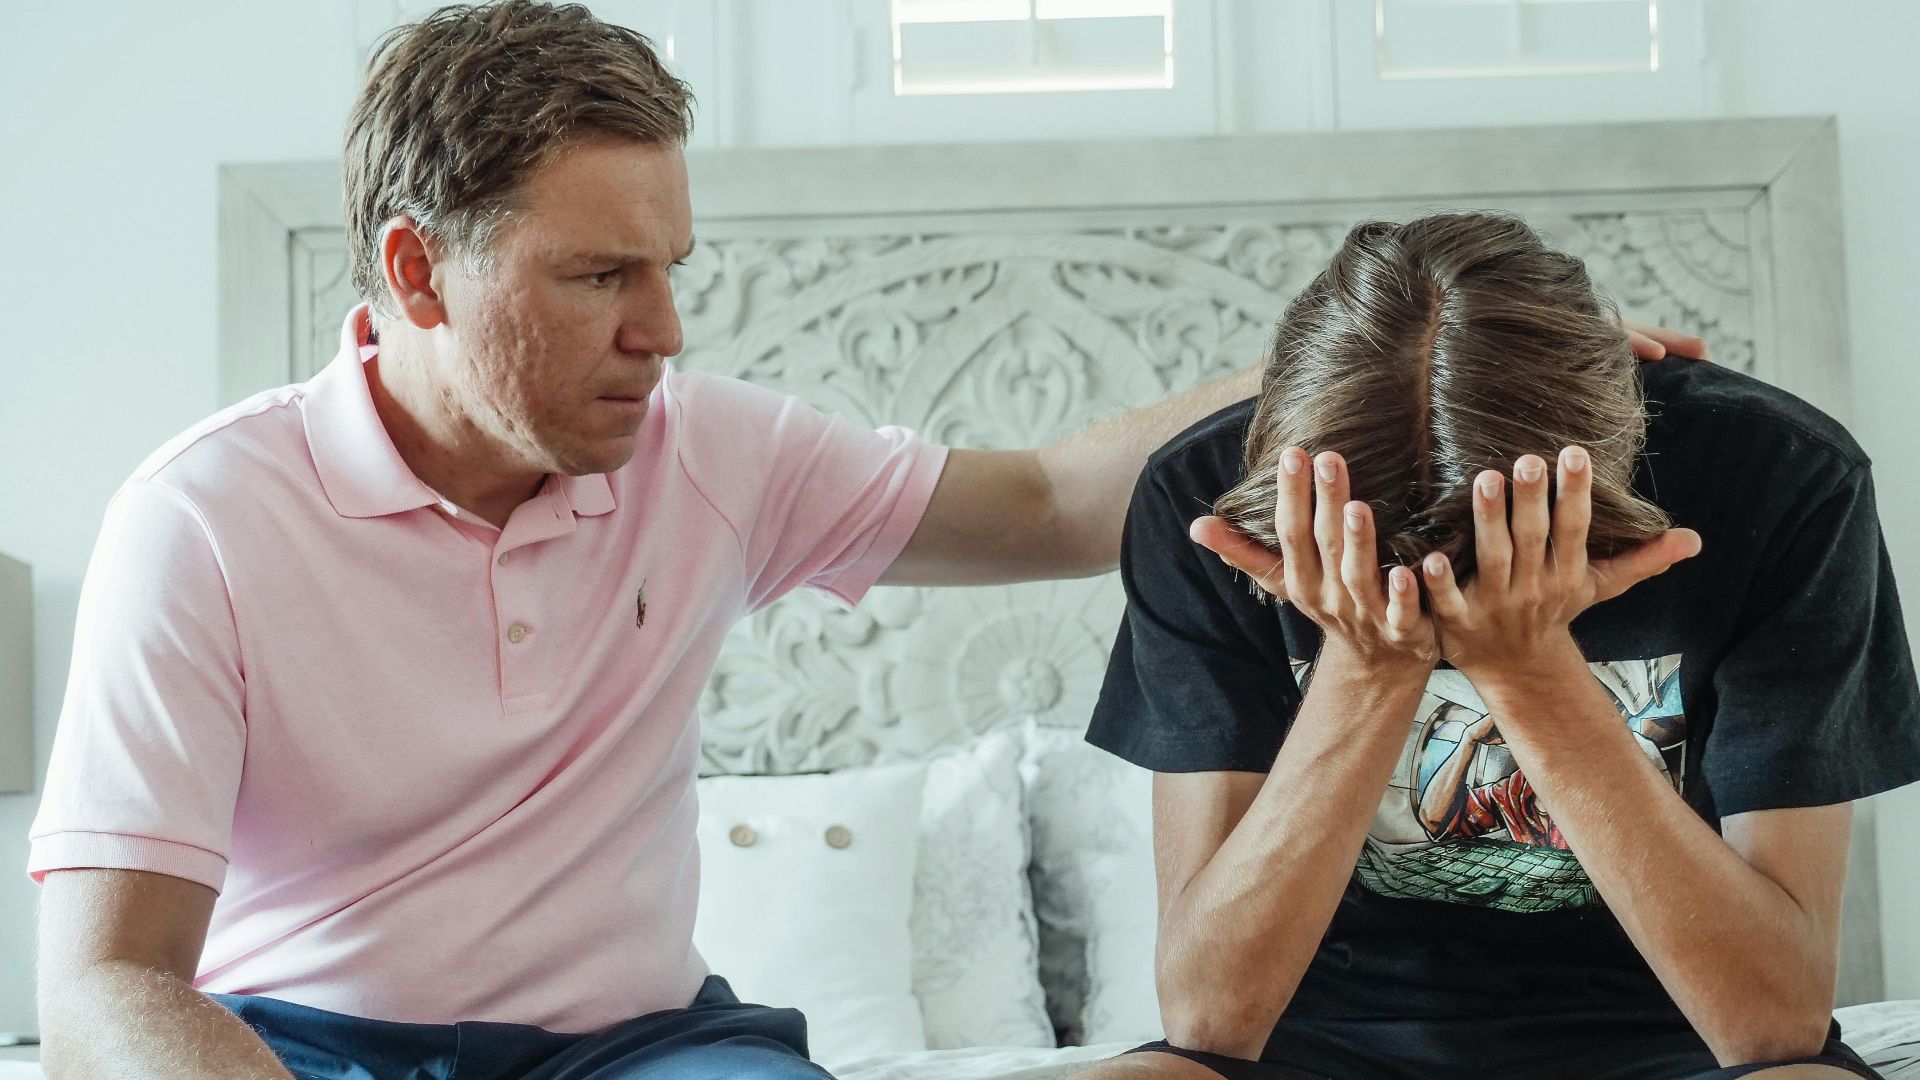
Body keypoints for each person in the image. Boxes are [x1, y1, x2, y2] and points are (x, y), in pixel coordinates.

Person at [26, 4, 1698, 1075]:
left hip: (641, 1054)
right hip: (306, 1050)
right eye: (601, 277)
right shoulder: (204, 522)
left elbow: (1047, 502)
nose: (664, 330)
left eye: (676, 266)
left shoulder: (709, 453)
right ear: (412, 274)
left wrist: (1403, 357)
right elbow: (108, 982)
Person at [1076, 212, 1920, 1080]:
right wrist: (1369, 668)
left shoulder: (1782, 474)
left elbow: (1775, 1024)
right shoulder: (1207, 500)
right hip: (1314, 1040)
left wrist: (1530, 672)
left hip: (1683, 1040)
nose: (1437, 614)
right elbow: (1208, 1016)